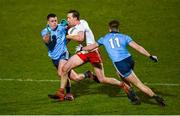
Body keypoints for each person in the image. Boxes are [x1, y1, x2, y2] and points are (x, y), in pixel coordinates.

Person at [60, 10, 139, 104]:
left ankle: (123, 85)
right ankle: (61, 91)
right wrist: (64, 29)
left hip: (93, 52)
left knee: (102, 79)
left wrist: (68, 36)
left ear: (75, 18)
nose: (67, 19)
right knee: (65, 68)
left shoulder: (82, 23)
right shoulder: (72, 28)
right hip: (83, 52)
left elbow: (80, 38)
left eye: (69, 18)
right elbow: (69, 35)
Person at [82, 20, 165, 106]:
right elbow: (138, 47)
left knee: (137, 83)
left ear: (109, 29)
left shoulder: (104, 38)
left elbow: (91, 47)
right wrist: (150, 56)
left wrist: (82, 49)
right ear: (118, 28)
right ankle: (133, 96)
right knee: (121, 75)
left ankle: (156, 97)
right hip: (129, 60)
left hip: (120, 63)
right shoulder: (124, 37)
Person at [41, 13, 94, 101]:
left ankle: (62, 93)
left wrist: (67, 27)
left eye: (55, 21)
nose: (54, 23)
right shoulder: (44, 31)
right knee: (76, 78)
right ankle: (87, 74)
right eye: (52, 21)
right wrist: (49, 33)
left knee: (61, 73)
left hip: (63, 54)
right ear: (48, 22)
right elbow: (47, 41)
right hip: (54, 58)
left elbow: (71, 30)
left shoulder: (61, 27)